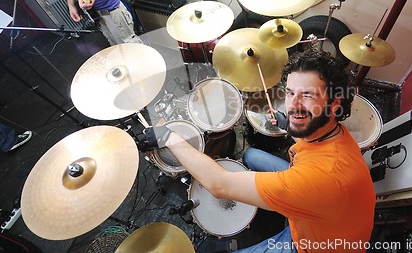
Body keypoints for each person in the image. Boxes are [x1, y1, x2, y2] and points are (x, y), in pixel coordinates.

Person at [150, 48, 376, 252]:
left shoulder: (320, 179)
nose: (293, 106)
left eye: (307, 95)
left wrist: (168, 136)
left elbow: (218, 185)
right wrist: (286, 122)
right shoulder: (334, 132)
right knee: (251, 156)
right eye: (290, 93)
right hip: (324, 208)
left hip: (311, 244)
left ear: (335, 104)